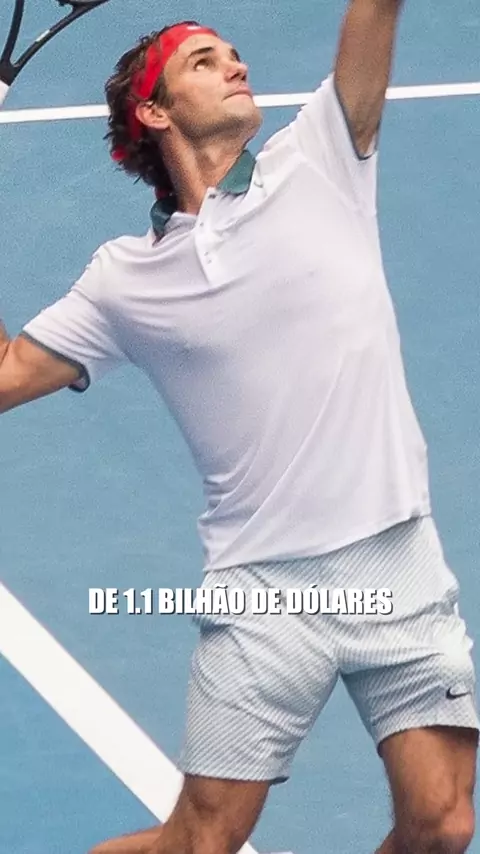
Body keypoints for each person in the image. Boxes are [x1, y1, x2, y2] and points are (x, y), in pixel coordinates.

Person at [0, 3, 478, 853]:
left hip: (396, 556)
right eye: (204, 61)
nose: (236, 65)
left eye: (233, 53)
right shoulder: (122, 282)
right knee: (198, 842)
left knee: (442, 824)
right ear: (155, 112)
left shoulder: (324, 154)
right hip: (262, 587)